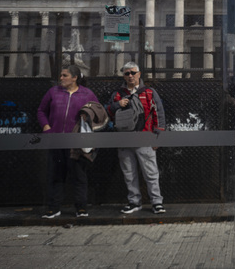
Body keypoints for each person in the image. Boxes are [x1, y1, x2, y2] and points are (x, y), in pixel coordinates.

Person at [37, 64, 99, 219]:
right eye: (61, 75)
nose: (61, 78)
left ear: (75, 78)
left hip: (76, 143)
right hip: (56, 141)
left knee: (79, 176)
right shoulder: (53, 92)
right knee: (56, 175)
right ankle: (53, 208)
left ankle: (81, 208)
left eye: (65, 75)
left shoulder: (87, 94)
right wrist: (46, 127)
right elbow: (41, 111)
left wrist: (87, 130)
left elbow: (98, 113)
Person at [106, 61, 166, 215]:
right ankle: (134, 202)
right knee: (129, 173)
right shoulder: (117, 94)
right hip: (124, 139)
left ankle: (157, 202)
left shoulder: (150, 92)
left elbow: (159, 114)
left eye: (133, 72)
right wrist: (117, 105)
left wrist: (157, 137)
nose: (130, 75)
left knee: (151, 173)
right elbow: (108, 113)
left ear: (139, 74)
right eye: (127, 73)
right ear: (124, 76)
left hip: (145, 138)